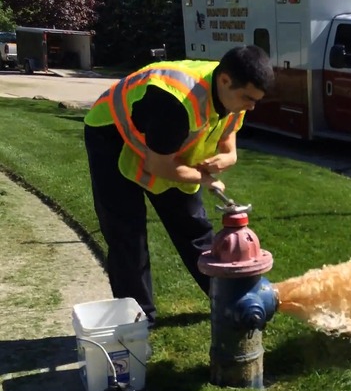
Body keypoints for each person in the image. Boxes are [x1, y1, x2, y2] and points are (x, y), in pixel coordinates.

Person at [83, 46, 275, 327]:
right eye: (248, 98)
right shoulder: (175, 102)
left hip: (162, 144)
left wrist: (229, 156)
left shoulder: (234, 93)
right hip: (111, 134)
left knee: (193, 225)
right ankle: (138, 319)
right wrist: (205, 178)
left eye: (257, 100)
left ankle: (226, 295)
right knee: (127, 233)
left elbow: (228, 136)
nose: (251, 106)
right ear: (224, 81)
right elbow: (158, 167)